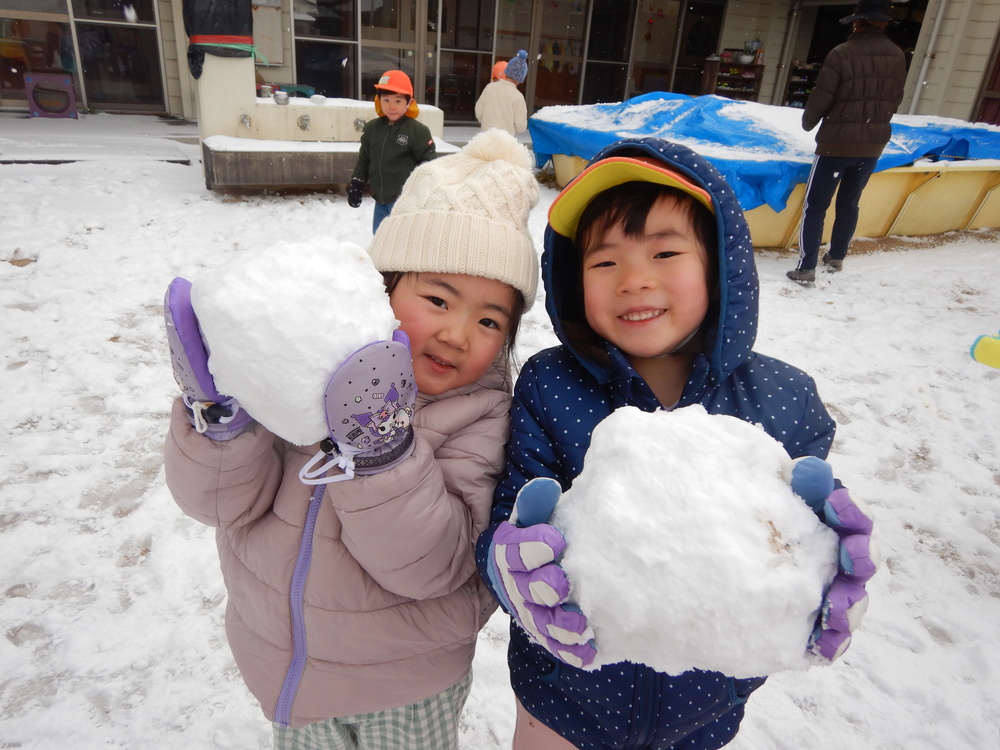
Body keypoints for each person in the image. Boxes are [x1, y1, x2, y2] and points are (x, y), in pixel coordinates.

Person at [476, 137, 877, 750]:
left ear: (719, 264)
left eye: (665, 252)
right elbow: (509, 521)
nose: (634, 280)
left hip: (705, 704)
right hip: (564, 694)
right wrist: (513, 572)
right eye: (604, 262)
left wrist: (826, 575)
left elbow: (796, 542)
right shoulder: (551, 387)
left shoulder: (784, 400)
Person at [164, 129, 540, 750]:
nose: (457, 333)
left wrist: (381, 450)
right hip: (285, 669)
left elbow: (435, 566)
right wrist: (225, 414)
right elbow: (218, 505)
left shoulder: (483, 417)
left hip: (405, 686)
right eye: (438, 298)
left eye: (489, 319)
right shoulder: (309, 371)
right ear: (383, 288)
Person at [788, 0, 906, 284]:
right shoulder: (897, 55)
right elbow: (895, 98)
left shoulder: (842, 53)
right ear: (884, 23)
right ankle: (837, 256)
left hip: (836, 145)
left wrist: (809, 121)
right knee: (850, 203)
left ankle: (806, 267)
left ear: (857, 22)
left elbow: (823, 94)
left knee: (815, 206)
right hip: (872, 146)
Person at [348, 70, 437, 233]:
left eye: (398, 100)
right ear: (378, 100)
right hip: (380, 200)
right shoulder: (372, 128)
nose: (391, 106)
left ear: (408, 102)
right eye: (386, 100)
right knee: (380, 238)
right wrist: (357, 183)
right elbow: (365, 159)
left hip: (405, 202)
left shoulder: (417, 131)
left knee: (402, 241)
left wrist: (425, 192)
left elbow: (428, 165)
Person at [475, 49, 529, 136]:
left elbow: (479, 111)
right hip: (505, 142)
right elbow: (520, 126)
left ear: (506, 71)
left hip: (486, 138)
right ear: (521, 78)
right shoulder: (518, 96)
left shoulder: (489, 88)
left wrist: (487, 122)